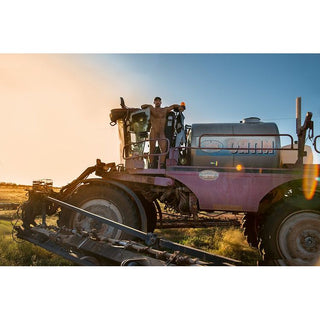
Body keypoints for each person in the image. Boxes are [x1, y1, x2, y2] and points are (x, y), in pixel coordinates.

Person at [141, 97, 180, 168]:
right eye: (156, 101)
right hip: (153, 131)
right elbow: (142, 106)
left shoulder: (164, 110)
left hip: (161, 132)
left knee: (164, 148)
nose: (157, 102)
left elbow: (173, 106)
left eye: (159, 101)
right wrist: (149, 106)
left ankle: (161, 164)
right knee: (151, 148)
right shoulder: (151, 109)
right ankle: (151, 164)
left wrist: (179, 106)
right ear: (154, 102)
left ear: (161, 102)